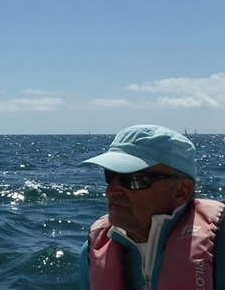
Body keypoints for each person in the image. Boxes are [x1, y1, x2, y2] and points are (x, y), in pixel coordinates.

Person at [78, 124, 225, 290]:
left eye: (135, 179)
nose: (111, 190)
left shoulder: (220, 244)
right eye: (110, 175)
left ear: (181, 191)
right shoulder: (93, 251)